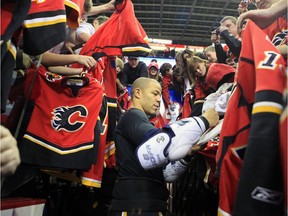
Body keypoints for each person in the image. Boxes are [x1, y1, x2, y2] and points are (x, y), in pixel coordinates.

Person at [109, 77, 219, 215]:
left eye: (160, 95)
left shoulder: (139, 122)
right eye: (154, 93)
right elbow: (162, 142)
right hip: (135, 206)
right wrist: (203, 121)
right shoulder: (132, 117)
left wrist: (188, 154)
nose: (158, 99)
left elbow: (167, 175)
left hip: (148, 204)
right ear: (137, 93)